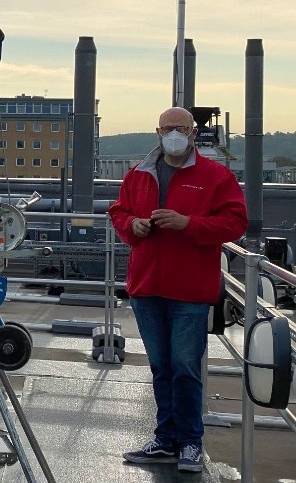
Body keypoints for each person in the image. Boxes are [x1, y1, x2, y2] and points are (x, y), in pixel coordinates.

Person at [109, 107, 247, 473]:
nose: (174, 134)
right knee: (161, 366)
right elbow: (118, 212)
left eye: (181, 128)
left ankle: (189, 442)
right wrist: (133, 225)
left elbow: (235, 222)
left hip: (189, 289)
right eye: (168, 128)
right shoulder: (139, 175)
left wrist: (188, 223)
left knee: (185, 367)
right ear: (158, 131)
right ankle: (166, 439)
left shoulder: (215, 176)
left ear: (192, 133)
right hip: (146, 287)